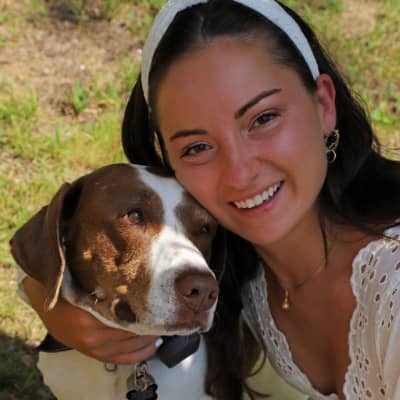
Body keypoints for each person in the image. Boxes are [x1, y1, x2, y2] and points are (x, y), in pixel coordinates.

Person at [19, 0, 400, 399]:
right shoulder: (227, 250)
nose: (240, 173)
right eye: (197, 147)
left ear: (323, 105)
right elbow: (77, 230)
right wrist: (54, 305)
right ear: (170, 165)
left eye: (263, 118)